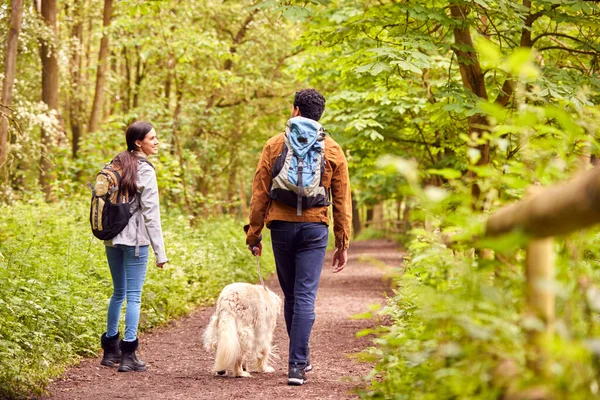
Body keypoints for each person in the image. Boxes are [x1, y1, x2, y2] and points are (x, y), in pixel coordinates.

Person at [245, 89, 352, 386]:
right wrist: (342, 242)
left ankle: (299, 359)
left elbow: (259, 193)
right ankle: (298, 365)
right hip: (314, 228)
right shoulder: (332, 148)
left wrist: (254, 235)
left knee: (291, 295)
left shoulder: (274, 144)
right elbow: (342, 200)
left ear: (295, 110)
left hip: (279, 225)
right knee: (305, 295)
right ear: (320, 115)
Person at [99, 121, 168, 372]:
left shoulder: (115, 163)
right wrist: (160, 252)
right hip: (135, 241)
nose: (156, 142)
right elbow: (151, 213)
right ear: (138, 142)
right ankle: (129, 353)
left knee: (118, 293)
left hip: (112, 239)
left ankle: (110, 350)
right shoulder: (145, 170)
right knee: (134, 297)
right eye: (152, 138)